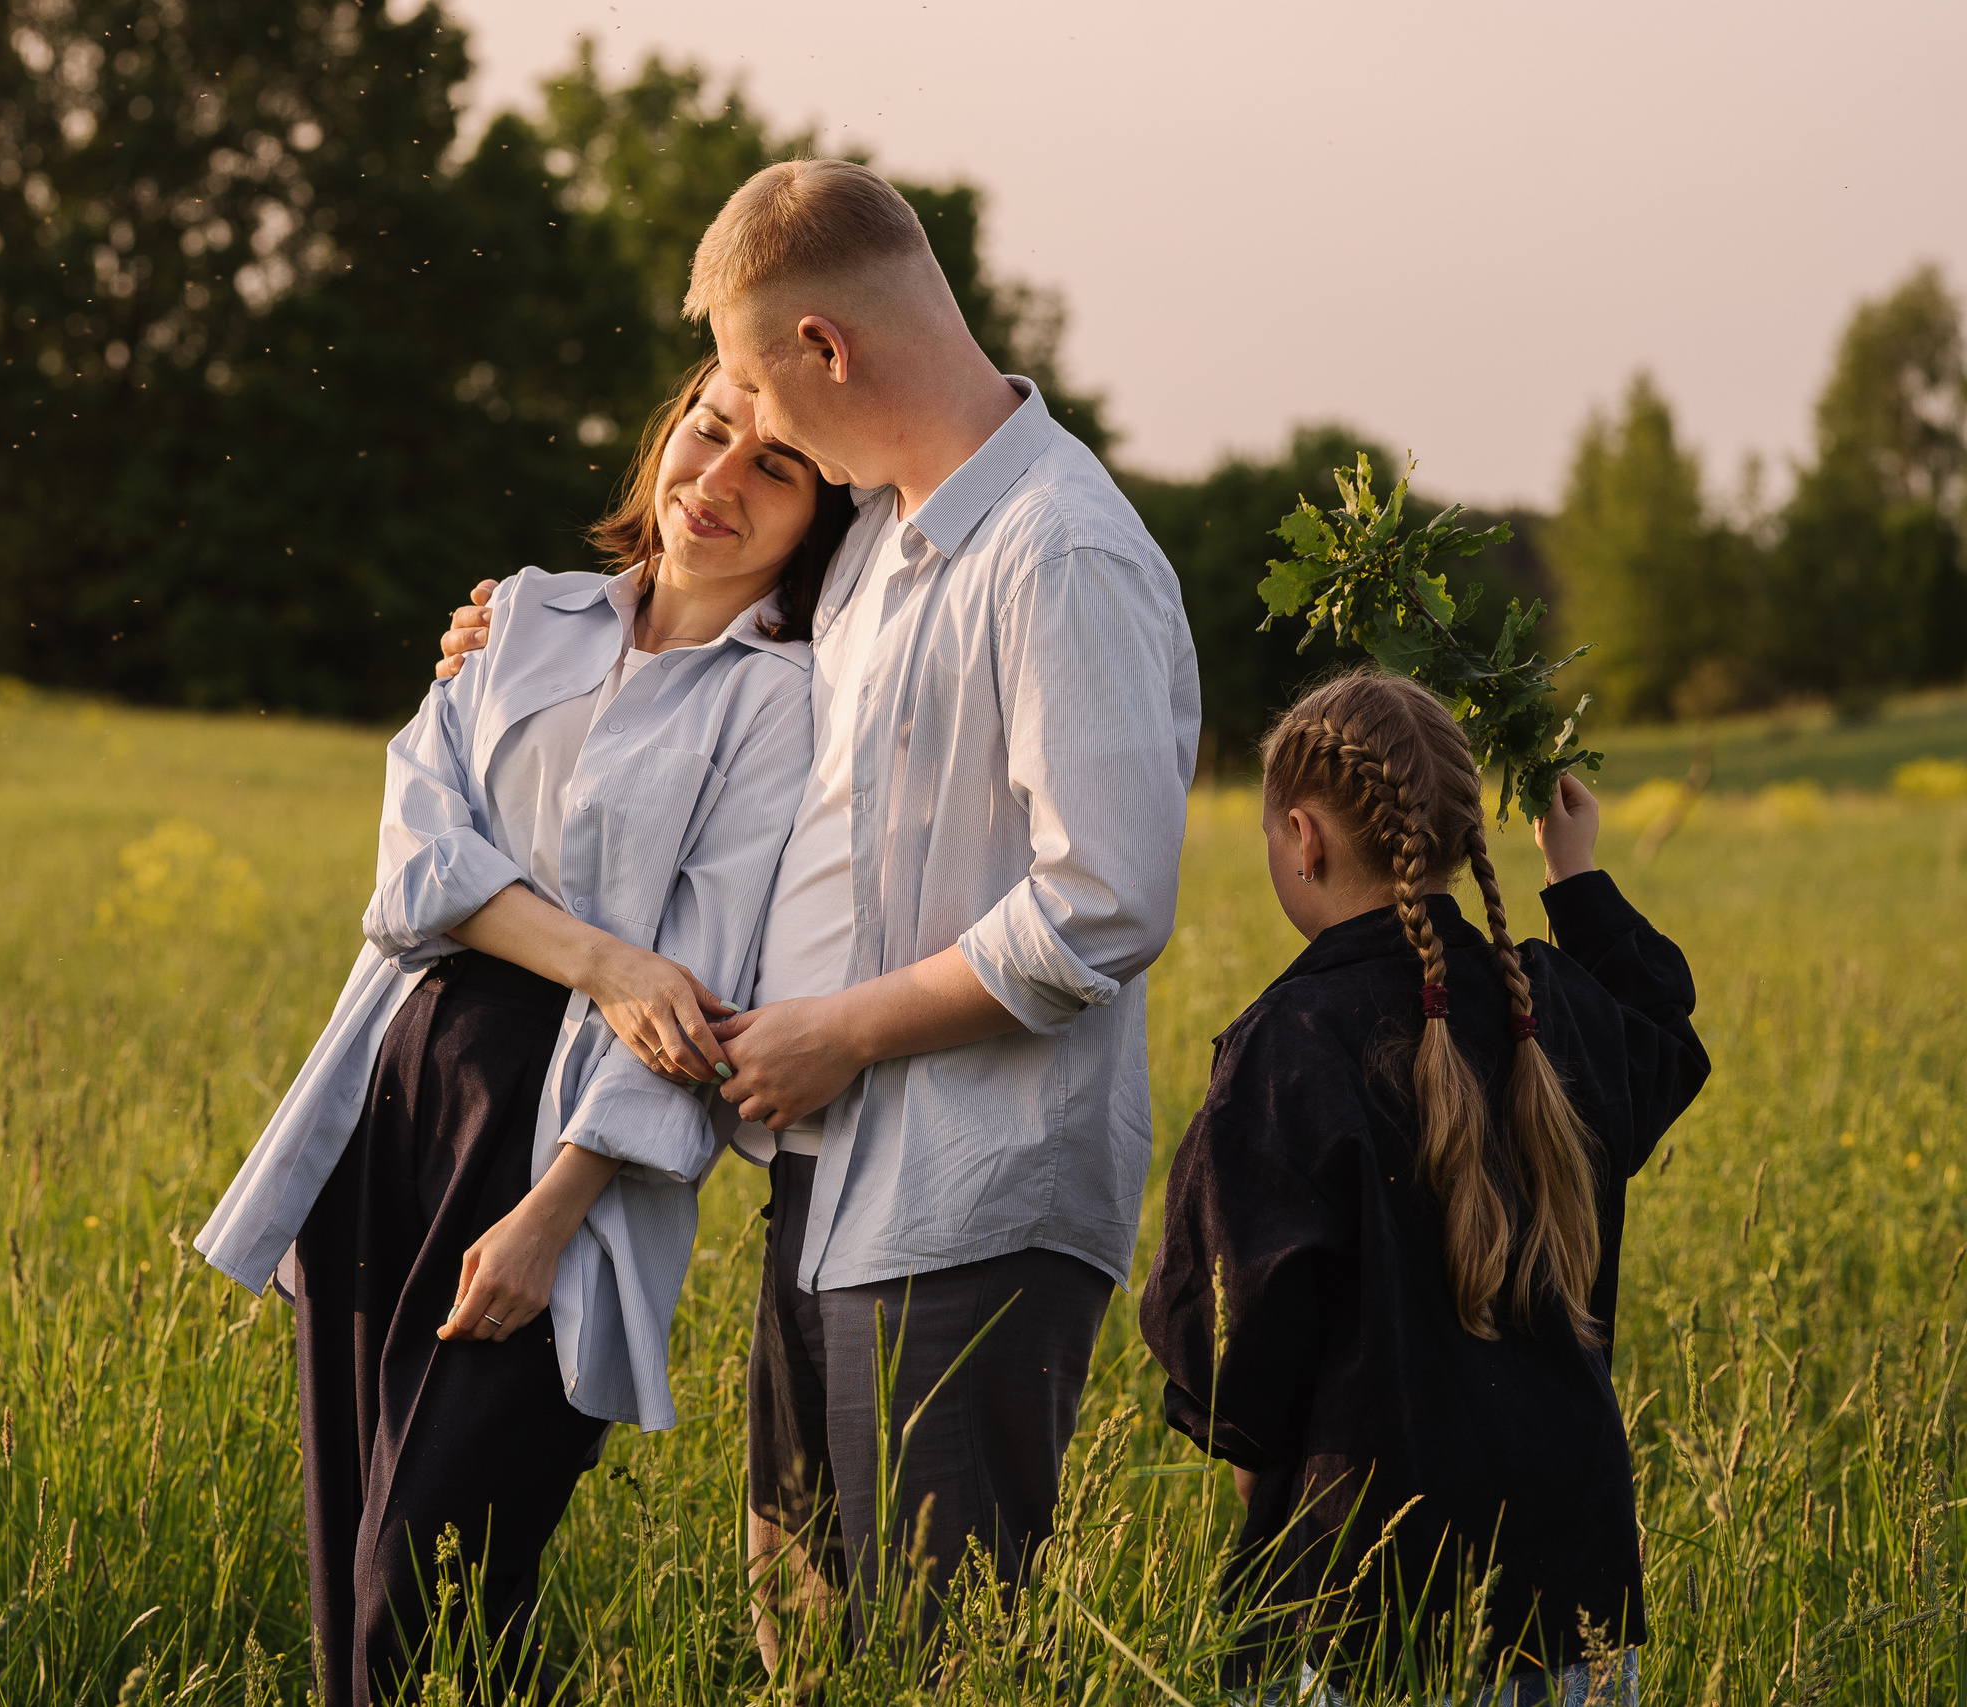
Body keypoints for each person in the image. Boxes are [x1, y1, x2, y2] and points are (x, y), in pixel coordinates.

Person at [440, 157, 1201, 1655]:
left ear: (824, 352)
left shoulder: (1064, 551)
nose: (746, 424)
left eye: (749, 382)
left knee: (934, 1648)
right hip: (828, 1182)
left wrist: (842, 1031)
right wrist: (517, 639)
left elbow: (1106, 900)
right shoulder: (884, 550)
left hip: (968, 1194)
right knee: (800, 1636)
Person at [198, 354, 847, 1707]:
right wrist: (605, 958)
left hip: (560, 1140)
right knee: (354, 1567)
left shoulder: (779, 701)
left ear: (820, 510)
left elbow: (704, 990)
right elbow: (413, 868)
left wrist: (556, 1210)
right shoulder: (529, 614)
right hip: (396, 1085)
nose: (718, 478)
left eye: (773, 465)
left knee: (426, 1592)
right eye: (707, 432)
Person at [1138, 670, 1710, 1703]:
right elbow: (1665, 1038)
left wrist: (1251, 1449)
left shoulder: (1291, 1045)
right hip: (1571, 1593)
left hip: (1366, 1609)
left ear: (1303, 839)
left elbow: (1227, 1351)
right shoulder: (1547, 1007)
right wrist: (1573, 876)